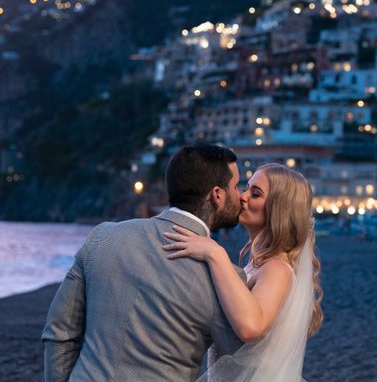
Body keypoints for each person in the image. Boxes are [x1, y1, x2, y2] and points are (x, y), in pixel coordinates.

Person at [42, 144, 244, 381]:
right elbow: (240, 363)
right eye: (236, 186)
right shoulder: (226, 279)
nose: (241, 195)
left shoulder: (102, 237)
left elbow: (60, 333)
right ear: (217, 195)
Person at [163, 163, 323, 381]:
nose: (243, 197)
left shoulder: (276, 269)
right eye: (246, 188)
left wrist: (214, 253)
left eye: (255, 194)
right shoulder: (259, 264)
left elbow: (250, 327)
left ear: (279, 209)